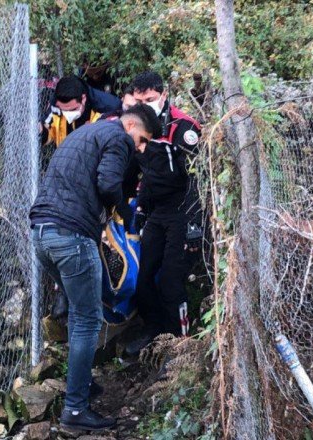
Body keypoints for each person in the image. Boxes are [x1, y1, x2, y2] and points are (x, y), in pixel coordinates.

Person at [30, 104, 162, 431]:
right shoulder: (118, 138)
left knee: (80, 312)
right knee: (88, 320)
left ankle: (81, 383)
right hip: (72, 237)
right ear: (131, 126)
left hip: (42, 234)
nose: (140, 148)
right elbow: (107, 183)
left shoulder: (84, 134)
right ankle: (75, 410)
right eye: (142, 140)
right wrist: (123, 213)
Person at [125, 71, 203, 356]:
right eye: (139, 101)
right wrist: (140, 210)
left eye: (150, 99)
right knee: (142, 276)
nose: (145, 105)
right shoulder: (137, 126)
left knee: (171, 280)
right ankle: (154, 331)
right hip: (156, 211)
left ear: (163, 96)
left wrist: (194, 223)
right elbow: (145, 173)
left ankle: (180, 345)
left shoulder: (183, 127)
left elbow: (197, 178)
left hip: (183, 210)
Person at [41, 75, 121, 146]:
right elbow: (49, 130)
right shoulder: (56, 102)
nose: (68, 114)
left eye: (73, 109)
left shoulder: (108, 108)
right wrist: (41, 131)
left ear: (83, 99)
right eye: (64, 110)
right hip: (65, 153)